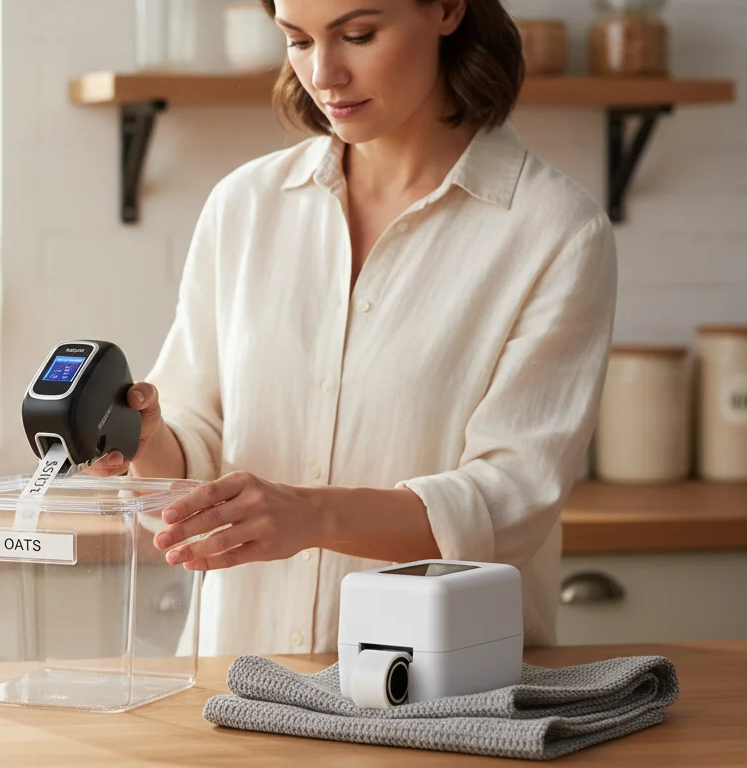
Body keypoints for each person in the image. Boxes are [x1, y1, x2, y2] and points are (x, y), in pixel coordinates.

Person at [86, 0, 617, 656]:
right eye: (297, 40)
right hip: (243, 680)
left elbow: (512, 499)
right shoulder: (246, 206)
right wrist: (148, 438)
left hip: (442, 690)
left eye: (358, 35)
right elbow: (200, 445)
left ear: (449, 9)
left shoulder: (553, 229)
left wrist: (312, 516)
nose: (324, 74)